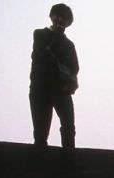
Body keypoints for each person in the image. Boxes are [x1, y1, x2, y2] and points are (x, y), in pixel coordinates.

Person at [29, 3, 79, 149]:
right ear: (51, 16)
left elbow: (75, 67)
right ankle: (40, 164)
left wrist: (69, 82)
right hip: (40, 89)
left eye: (64, 18)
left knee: (68, 127)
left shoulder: (69, 45)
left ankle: (69, 161)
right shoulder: (39, 34)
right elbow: (41, 56)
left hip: (61, 91)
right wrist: (56, 36)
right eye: (58, 16)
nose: (60, 20)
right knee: (41, 132)